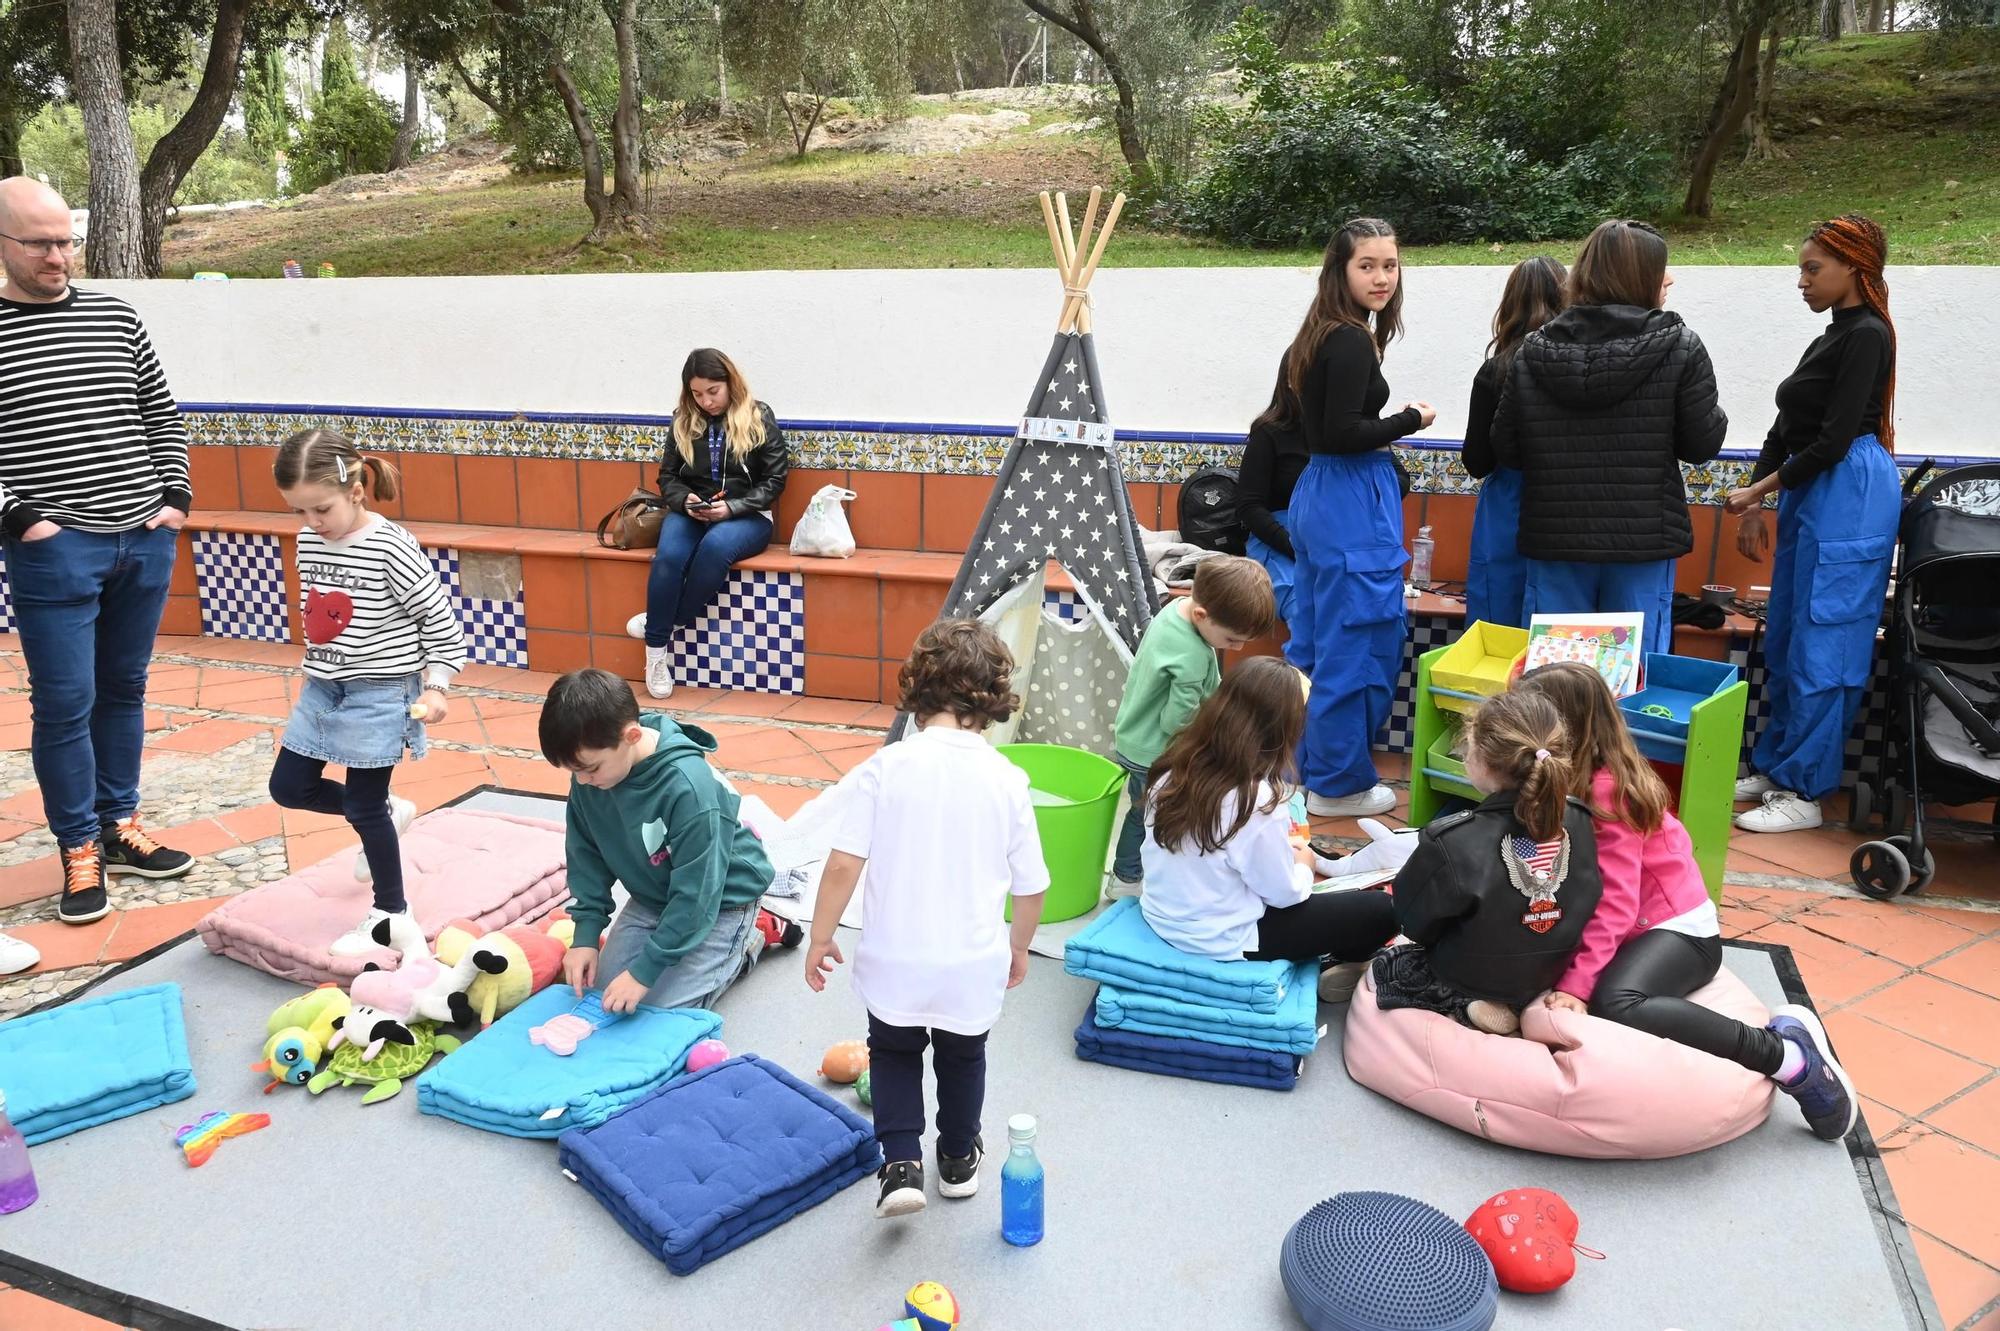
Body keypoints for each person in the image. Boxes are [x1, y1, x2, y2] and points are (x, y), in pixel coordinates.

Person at [1518, 662, 1858, 1140]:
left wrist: (1576, 987)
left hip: (1681, 931)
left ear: (1564, 732)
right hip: (1636, 925)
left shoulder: (1607, 792)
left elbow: (1615, 903)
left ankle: (1786, 1056)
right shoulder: (1566, 779)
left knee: (1617, 1002)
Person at [0, 176, 196, 928]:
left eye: (65, 240)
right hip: (55, 548)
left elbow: (160, 411)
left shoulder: (116, 317)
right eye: (40, 243)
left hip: (143, 537)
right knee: (63, 705)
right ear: (5, 244)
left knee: (125, 687)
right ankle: (78, 845)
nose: (58, 256)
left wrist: (173, 501)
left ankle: (119, 826)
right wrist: (20, 519)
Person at [804, 621, 1049, 1219]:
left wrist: (820, 934)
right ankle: (959, 1157)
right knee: (964, 1057)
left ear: (917, 689)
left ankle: (901, 1163)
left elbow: (842, 864)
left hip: (896, 960)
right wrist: (1019, 947)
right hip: (970, 964)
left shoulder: (886, 768)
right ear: (993, 699)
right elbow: (1033, 884)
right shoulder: (1008, 780)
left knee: (891, 1053)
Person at [1726, 216, 1900, 836]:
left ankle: (1807, 790)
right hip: (1812, 492)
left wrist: (1756, 490)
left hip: (1848, 490)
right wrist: (1756, 502)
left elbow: (1832, 441)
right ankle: (1778, 768)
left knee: (1830, 642)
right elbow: (1788, 428)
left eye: (1812, 268)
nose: (1801, 280)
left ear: (1854, 268)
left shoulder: (1869, 336)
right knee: (1792, 637)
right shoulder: (1831, 336)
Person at [265, 430, 465, 959]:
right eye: (299, 511)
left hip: (380, 692)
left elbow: (439, 619)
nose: (311, 522)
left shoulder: (390, 546)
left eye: (321, 508)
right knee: (288, 787)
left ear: (355, 490)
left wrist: (438, 684)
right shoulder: (311, 541)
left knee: (362, 805)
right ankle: (388, 808)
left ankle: (391, 915)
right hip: (323, 688)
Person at [1491, 219, 1727, 657]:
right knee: (1629, 681)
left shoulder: (1534, 350)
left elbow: (1506, 448)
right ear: (1640, 277)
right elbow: (1701, 445)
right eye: (1662, 268)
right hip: (1641, 543)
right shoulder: (1680, 346)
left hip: (1555, 541)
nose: (1669, 278)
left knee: (1554, 686)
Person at [1282, 217, 1437, 818]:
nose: (1380, 277)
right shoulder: (1347, 338)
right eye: (1366, 265)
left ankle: (1302, 769)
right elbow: (1343, 432)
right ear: (1339, 270)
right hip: (1348, 500)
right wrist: (1409, 419)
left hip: (1324, 495)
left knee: (1316, 644)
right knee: (1357, 645)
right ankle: (1338, 785)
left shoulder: (1324, 333)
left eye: (1389, 265)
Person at [1139, 657, 1400, 1003]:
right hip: (1222, 938)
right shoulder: (1256, 799)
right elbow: (1283, 895)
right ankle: (1343, 963)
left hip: (1162, 915)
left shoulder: (1174, 767)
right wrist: (1303, 867)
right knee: (1383, 910)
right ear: (1280, 729)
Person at [544, 668, 787, 1012]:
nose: (581, 781)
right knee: (604, 997)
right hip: (654, 895)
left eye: (591, 769)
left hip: (720, 902)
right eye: (574, 771)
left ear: (630, 736)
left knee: (664, 1013)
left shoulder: (688, 787)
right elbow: (586, 858)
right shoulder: (592, 775)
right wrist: (585, 935)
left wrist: (644, 973)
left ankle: (754, 935)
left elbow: (697, 894)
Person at [1374, 689, 1603, 1035]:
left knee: (1391, 965)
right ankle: (1515, 1003)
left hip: (1472, 974)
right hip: (1550, 970)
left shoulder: (1452, 839)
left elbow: (1412, 921)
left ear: (1483, 760)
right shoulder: (1580, 819)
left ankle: (1464, 1002)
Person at [625, 348, 790, 700]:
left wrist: (732, 508)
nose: (706, 401)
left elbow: (775, 481)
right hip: (691, 513)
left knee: (715, 547)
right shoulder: (683, 419)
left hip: (747, 516)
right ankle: (656, 657)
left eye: (713, 391)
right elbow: (667, 476)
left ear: (730, 382)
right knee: (668, 557)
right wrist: (683, 499)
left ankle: (663, 623)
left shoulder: (758, 416)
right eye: (697, 394)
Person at [1109, 557, 1278, 897]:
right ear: (1202, 616)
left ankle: (1131, 874)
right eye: (1231, 640)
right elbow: (1176, 721)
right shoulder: (1192, 656)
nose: (1238, 648)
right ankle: (1127, 879)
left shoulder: (1178, 610)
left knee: (1144, 811)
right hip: (1155, 750)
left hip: (1137, 737)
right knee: (1150, 817)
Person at [1461, 257, 1566, 629]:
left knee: (1495, 627)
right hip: (1564, 510)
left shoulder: (1496, 370)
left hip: (1507, 508)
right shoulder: (1576, 366)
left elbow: (1475, 461)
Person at [1236, 361, 1313, 670]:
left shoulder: (1342, 435)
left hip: (1327, 543)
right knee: (1308, 611)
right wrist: (1297, 547)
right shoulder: (1269, 433)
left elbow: (1400, 481)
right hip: (1277, 544)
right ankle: (1295, 704)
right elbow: (1249, 506)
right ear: (1293, 381)